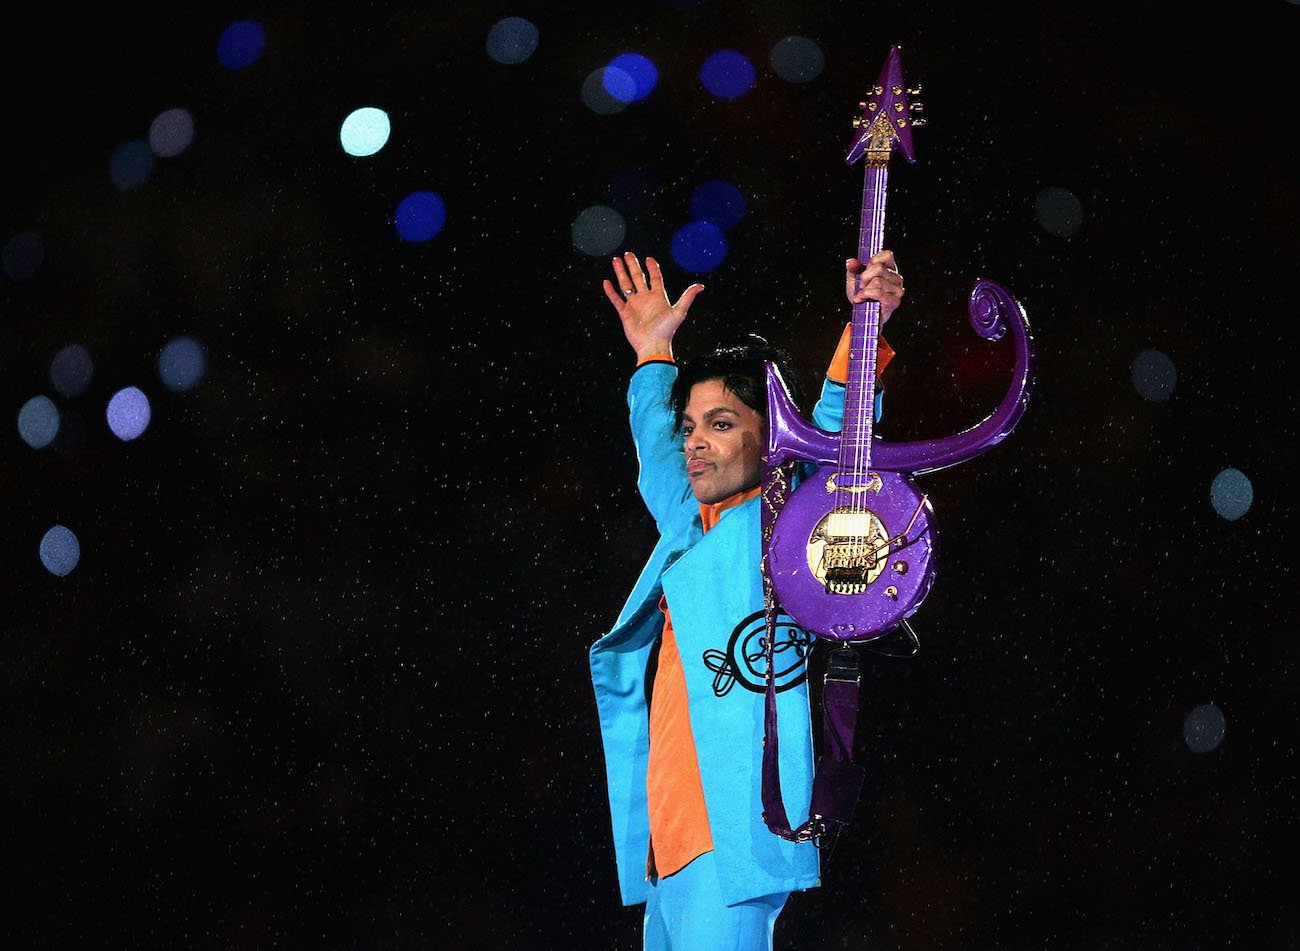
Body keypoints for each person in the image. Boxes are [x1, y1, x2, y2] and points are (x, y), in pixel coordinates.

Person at [588, 249, 904, 950]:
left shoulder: (783, 521)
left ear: (774, 441)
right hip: (668, 858)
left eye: (722, 423)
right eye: (692, 426)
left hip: (728, 847)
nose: (696, 443)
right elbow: (658, 458)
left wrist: (864, 323)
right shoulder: (690, 532)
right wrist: (652, 356)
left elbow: (838, 436)